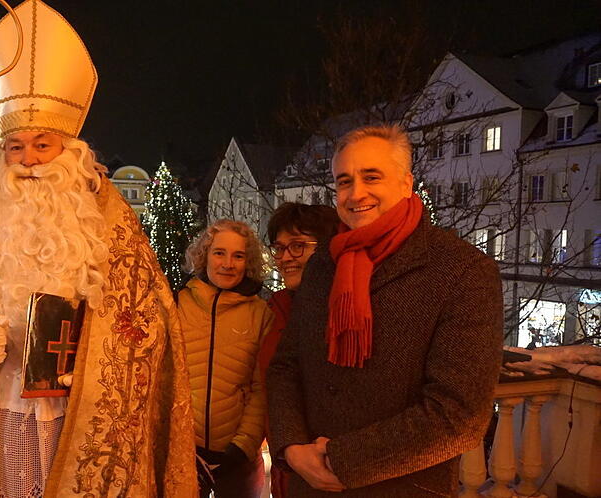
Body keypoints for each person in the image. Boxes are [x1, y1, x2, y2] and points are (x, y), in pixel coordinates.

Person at [0, 0, 196, 497]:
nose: (29, 160)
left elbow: (145, 319)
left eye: (42, 144)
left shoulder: (109, 220)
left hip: (81, 411)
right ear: (0, 152)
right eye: (15, 146)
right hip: (1, 409)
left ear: (70, 151)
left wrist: (98, 353)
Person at [266, 124, 504, 496]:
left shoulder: (462, 270)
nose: (356, 193)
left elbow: (460, 414)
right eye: (344, 181)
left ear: (406, 183)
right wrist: (292, 447)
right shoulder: (324, 263)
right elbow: (286, 365)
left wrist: (343, 461)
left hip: (402, 488)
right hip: (308, 484)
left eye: (371, 177)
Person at [178, 219, 273, 498]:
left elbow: (261, 389)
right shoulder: (178, 303)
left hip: (238, 458)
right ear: (204, 255)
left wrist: (242, 447)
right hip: (185, 453)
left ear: (249, 262)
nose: (228, 264)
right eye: (219, 252)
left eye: (238, 255)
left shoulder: (261, 314)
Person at [257, 203, 340, 498]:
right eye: (279, 248)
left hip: (333, 463)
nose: (284, 258)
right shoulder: (275, 309)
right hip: (287, 463)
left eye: (297, 246)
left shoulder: (347, 310)